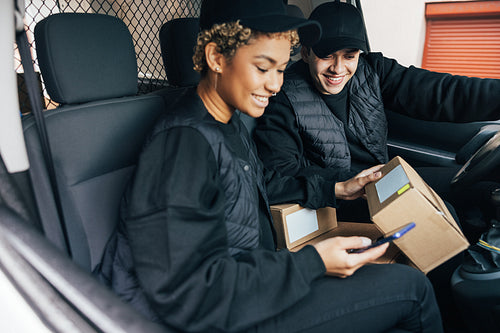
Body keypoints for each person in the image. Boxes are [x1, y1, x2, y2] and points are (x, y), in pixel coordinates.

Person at [96, 0, 443, 332]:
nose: (276, 85)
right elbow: (188, 293)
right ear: (216, 57)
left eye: (279, 69)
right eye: (263, 68)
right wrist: (314, 263)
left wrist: (335, 188)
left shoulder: (227, 121)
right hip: (212, 315)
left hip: (251, 285)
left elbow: (262, 186)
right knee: (413, 291)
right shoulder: (182, 145)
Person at [253, 1, 500, 224]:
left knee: (484, 189)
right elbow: (281, 171)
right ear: (306, 53)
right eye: (327, 56)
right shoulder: (282, 95)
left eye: (349, 56)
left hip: (383, 178)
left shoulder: (374, 71)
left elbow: (444, 93)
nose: (338, 68)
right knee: (438, 214)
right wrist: (343, 184)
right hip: (337, 202)